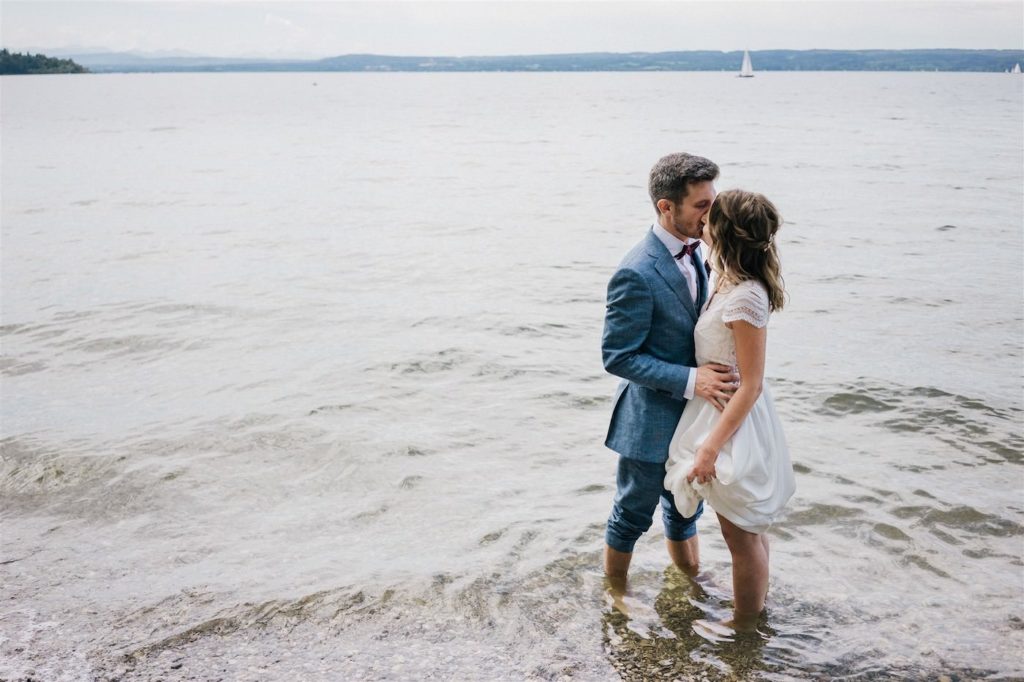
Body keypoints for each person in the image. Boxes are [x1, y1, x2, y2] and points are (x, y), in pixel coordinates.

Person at [601, 153, 740, 599]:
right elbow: (618, 356)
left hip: (694, 419)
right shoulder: (636, 271)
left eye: (711, 201)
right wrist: (692, 379)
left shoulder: (700, 251)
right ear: (666, 207)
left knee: (684, 509)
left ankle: (691, 583)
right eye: (701, 205)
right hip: (649, 419)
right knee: (631, 516)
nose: (711, 213)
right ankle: (616, 597)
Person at [663, 189, 796, 632]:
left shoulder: (746, 298)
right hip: (717, 411)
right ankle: (754, 611)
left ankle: (743, 625)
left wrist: (709, 450)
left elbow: (752, 384)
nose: (703, 221)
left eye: (710, 217)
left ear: (724, 231)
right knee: (746, 531)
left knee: (741, 534)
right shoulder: (725, 279)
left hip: (733, 422)